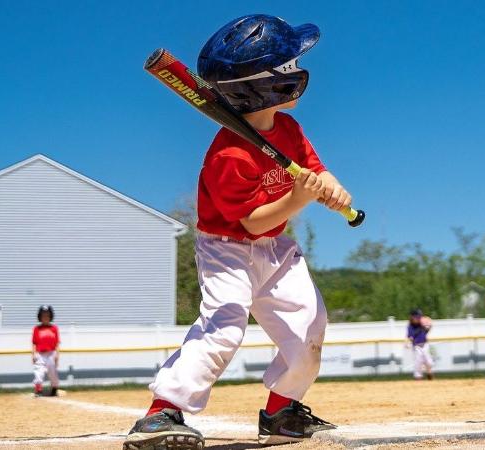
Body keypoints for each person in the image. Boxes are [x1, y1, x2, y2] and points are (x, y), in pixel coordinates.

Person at [123, 15, 352, 450]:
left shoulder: (287, 128)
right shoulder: (228, 154)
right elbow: (253, 221)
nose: (298, 67)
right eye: (289, 64)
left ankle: (282, 410)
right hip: (226, 250)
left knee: (309, 323)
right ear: (265, 85)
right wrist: (300, 199)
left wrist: (331, 188)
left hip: (276, 249)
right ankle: (163, 412)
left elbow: (314, 168)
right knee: (224, 325)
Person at [32, 305, 60, 397]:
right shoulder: (37, 329)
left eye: (47, 315)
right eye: (43, 315)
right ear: (40, 317)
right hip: (40, 353)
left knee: (52, 372)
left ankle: (54, 388)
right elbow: (34, 343)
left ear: (51, 316)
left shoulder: (54, 328)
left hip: (51, 353)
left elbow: (57, 343)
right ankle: (38, 388)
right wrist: (33, 354)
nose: (45, 317)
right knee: (39, 371)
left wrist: (57, 355)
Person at [407, 309, 434, 380]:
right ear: (412, 317)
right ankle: (418, 378)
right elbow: (410, 336)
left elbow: (427, 330)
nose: (418, 318)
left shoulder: (422, 324)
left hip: (425, 345)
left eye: (419, 317)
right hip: (416, 347)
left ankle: (429, 373)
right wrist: (408, 342)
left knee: (429, 362)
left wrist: (429, 326)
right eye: (417, 317)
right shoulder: (410, 326)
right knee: (418, 363)